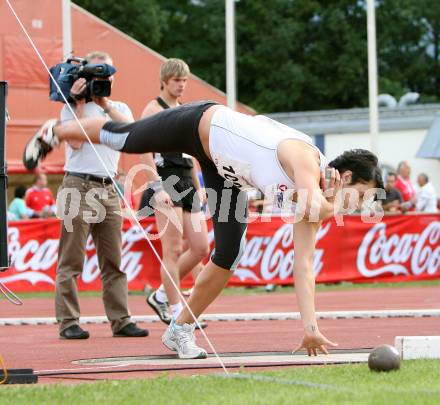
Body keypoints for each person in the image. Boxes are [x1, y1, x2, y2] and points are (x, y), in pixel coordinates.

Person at [23, 101, 384, 358]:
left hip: (225, 172)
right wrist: (335, 202)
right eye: (362, 195)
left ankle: (179, 329)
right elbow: (318, 204)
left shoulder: (317, 203)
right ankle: (54, 131)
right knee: (124, 138)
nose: (358, 206)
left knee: (229, 254)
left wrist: (310, 329)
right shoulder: (307, 158)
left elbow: (303, 266)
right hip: (201, 123)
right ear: (347, 177)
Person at [53, 50, 148, 340]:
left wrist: (103, 102)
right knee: (71, 259)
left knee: (114, 260)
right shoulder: (70, 108)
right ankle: (68, 321)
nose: (103, 78)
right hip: (77, 185)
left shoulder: (117, 107)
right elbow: (74, 142)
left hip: (108, 187)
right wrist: (80, 103)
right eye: (97, 73)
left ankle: (121, 320)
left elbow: (130, 133)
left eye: (107, 73)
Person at [139, 59, 209, 327]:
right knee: (172, 248)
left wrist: (199, 185)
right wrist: (156, 185)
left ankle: (159, 294)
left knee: (201, 247)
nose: (181, 85)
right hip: (165, 178)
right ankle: (176, 308)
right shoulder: (153, 109)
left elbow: (190, 154)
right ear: (165, 80)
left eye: (184, 81)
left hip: (186, 179)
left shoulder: (184, 110)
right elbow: (143, 150)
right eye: (177, 80)